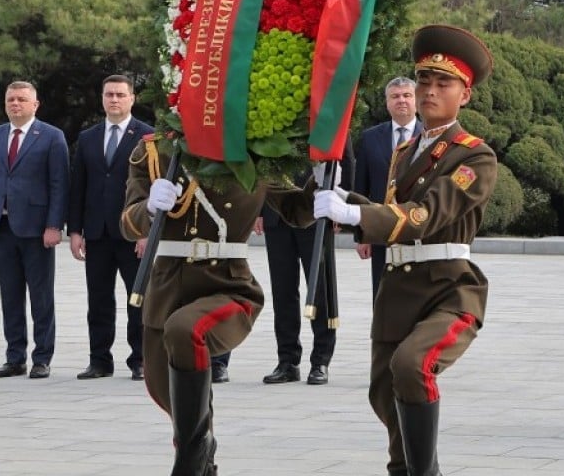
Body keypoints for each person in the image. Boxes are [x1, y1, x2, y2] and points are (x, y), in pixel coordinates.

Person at [313, 24, 496, 476]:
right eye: (425, 82)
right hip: (398, 290)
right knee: (383, 389)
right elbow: (389, 209)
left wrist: (360, 218)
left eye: (443, 83)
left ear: (465, 95)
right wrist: (342, 200)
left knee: (413, 367)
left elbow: (427, 215)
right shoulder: (407, 150)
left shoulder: (475, 156)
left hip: (448, 288)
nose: (430, 91)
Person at [120, 137, 316, 475]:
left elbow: (297, 210)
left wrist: (324, 185)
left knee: (185, 331)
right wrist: (148, 208)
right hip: (168, 286)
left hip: (227, 285)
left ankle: (190, 462)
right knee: (160, 385)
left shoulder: (254, 150)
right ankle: (201, 456)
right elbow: (128, 223)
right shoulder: (153, 151)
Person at [0, 81, 69, 380]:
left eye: (22, 100)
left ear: (35, 105)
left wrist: (54, 225)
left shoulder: (51, 137)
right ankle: (14, 357)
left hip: (37, 230)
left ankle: (42, 357)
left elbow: (59, 184)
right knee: (9, 295)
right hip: (2, 228)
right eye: (11, 99)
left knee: (41, 296)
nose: (16, 104)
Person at [67, 75, 153, 381]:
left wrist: (147, 231)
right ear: (102, 99)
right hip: (97, 232)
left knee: (138, 298)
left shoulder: (148, 137)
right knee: (99, 299)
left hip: (133, 233)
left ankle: (141, 359)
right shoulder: (88, 138)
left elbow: (154, 188)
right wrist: (75, 230)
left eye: (120, 94)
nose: (114, 100)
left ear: (132, 98)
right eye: (108, 95)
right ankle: (99, 360)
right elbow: (78, 187)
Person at [260, 148, 354, 387]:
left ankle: (320, 360)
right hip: (276, 212)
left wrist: (342, 206)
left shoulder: (327, 112)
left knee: (320, 288)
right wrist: (259, 209)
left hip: (316, 210)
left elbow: (346, 162)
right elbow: (260, 163)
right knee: (282, 291)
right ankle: (287, 361)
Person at [354, 76, 423, 296]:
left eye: (407, 95)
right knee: (382, 292)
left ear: (417, 100)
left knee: (415, 294)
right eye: (395, 96)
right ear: (387, 103)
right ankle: (381, 332)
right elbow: (360, 189)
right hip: (381, 230)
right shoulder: (370, 138)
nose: (401, 100)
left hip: (418, 230)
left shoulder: (431, 137)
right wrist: (362, 235)